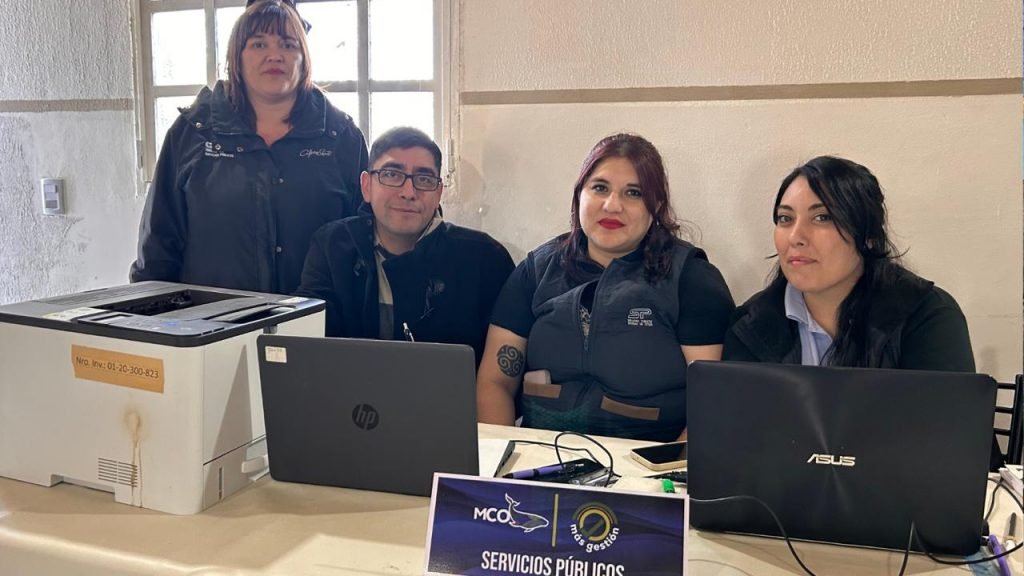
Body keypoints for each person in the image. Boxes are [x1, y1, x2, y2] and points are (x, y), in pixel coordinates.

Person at [723, 156, 1002, 469]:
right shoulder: (750, 325)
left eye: (822, 218)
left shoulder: (927, 315)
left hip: (899, 492)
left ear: (868, 235)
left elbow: (951, 447)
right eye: (785, 219)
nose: (796, 237)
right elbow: (738, 445)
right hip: (779, 495)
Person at [476, 133, 734, 442]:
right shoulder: (536, 271)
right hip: (541, 456)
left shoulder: (692, 279)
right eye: (600, 188)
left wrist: (669, 468)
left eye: (634, 193)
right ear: (579, 195)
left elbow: (713, 402)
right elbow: (495, 383)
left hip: (650, 461)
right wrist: (501, 457)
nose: (612, 205)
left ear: (656, 205)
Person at [130, 0, 367, 295]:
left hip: (318, 320)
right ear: (236, 57)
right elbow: (158, 246)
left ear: (304, 58)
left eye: (288, 44)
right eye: (258, 44)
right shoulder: (192, 134)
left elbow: (364, 245)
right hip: (210, 319)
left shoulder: (342, 137)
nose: (274, 55)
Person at [295, 126, 514, 365]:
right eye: (391, 175)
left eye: (424, 179)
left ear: (438, 192)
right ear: (366, 186)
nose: (408, 192)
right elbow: (308, 346)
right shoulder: (332, 247)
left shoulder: (484, 259)